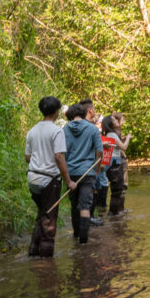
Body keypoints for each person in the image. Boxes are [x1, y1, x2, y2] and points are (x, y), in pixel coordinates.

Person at [25, 96, 77, 257]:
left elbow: (27, 157)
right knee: (49, 219)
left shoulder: (32, 130)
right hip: (49, 180)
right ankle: (45, 261)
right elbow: (59, 157)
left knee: (42, 214)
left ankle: (33, 252)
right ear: (56, 112)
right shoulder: (56, 131)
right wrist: (68, 181)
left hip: (33, 178)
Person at [63, 102, 103, 244]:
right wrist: (96, 170)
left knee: (74, 205)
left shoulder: (65, 129)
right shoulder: (92, 129)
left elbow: (62, 153)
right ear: (83, 112)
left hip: (70, 172)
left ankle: (75, 235)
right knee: (85, 205)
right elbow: (100, 151)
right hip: (87, 172)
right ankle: (83, 241)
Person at [101, 115, 131, 215]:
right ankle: (113, 214)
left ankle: (115, 212)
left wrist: (123, 139)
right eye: (114, 120)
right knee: (117, 189)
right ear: (110, 124)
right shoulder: (112, 134)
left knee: (116, 188)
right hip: (114, 163)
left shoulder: (110, 134)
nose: (116, 121)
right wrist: (128, 138)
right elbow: (124, 147)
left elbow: (117, 145)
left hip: (113, 162)